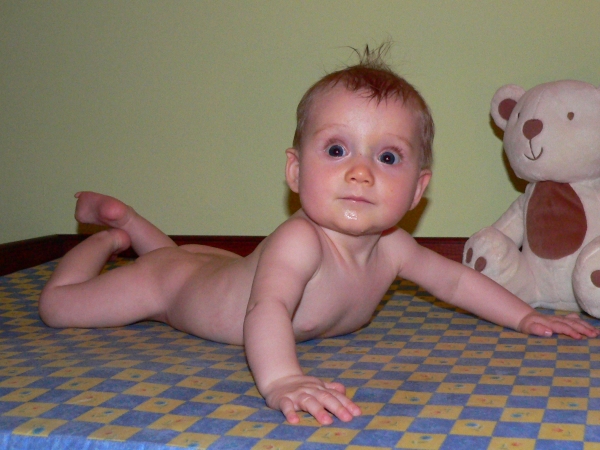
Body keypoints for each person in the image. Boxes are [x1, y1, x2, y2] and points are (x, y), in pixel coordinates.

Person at [39, 45, 599, 426]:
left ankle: (134, 225)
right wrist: (282, 380)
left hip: (205, 268)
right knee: (61, 307)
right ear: (294, 170)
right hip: (168, 289)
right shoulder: (299, 240)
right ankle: (108, 238)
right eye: (336, 149)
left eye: (387, 157)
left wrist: (524, 317)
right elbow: (267, 309)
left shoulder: (393, 248)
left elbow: (455, 282)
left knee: (180, 259)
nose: (360, 172)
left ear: (417, 188)